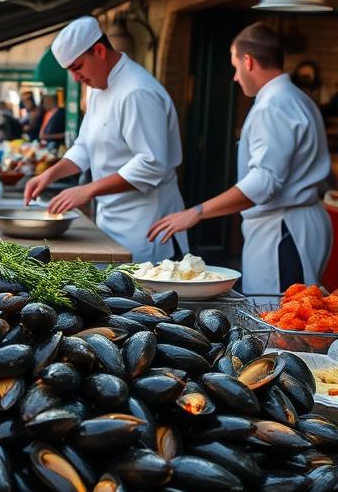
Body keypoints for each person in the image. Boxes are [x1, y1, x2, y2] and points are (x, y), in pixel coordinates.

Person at [149, 23, 332, 294]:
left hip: (283, 231)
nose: (235, 77)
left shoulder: (272, 106)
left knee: (277, 318)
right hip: (295, 223)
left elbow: (263, 183)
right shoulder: (297, 98)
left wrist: (196, 212)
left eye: (235, 67)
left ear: (248, 61)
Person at [24, 15, 187, 262]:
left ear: (99, 51)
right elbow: (85, 147)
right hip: (111, 221)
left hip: (147, 228)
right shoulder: (98, 89)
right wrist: (50, 174)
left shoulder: (136, 91)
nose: (76, 79)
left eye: (77, 68)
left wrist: (88, 190)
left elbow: (151, 163)